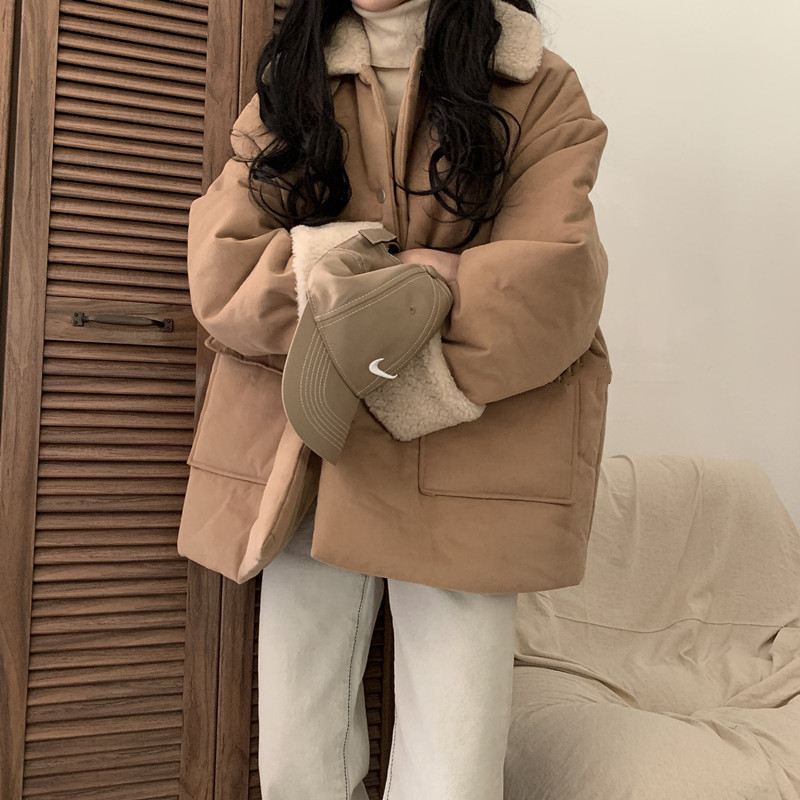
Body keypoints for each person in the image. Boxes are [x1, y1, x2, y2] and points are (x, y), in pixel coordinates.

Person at [180, 0, 612, 797]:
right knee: (297, 761)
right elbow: (222, 272)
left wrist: (325, 287)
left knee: (454, 769)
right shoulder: (294, 81)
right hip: (312, 454)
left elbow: (553, 290)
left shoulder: (536, 83)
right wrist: (413, 278)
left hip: (470, 463)